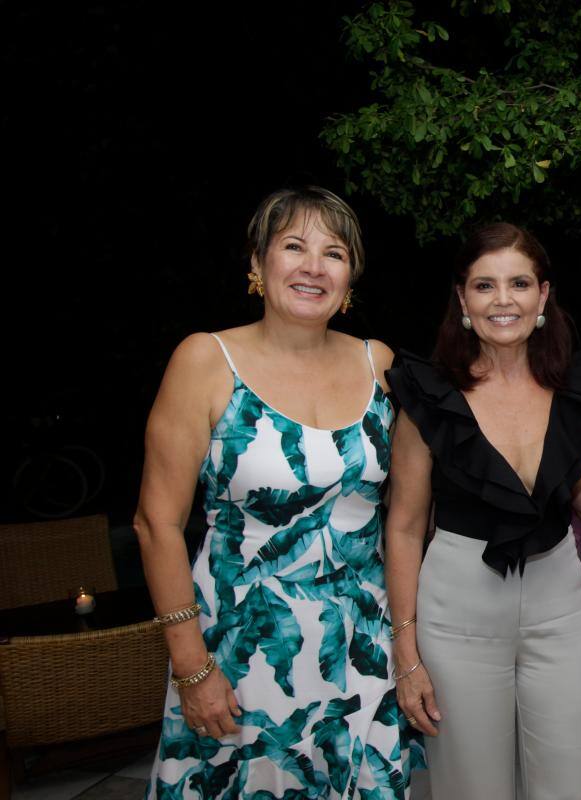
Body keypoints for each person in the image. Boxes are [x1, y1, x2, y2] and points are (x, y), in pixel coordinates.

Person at [136, 186, 421, 798]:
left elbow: (403, 518)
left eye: (334, 253)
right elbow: (155, 524)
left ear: (351, 279)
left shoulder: (380, 363)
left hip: (359, 646)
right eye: (294, 246)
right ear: (257, 265)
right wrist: (191, 666)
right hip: (241, 649)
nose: (313, 266)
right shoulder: (205, 361)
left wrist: (406, 646)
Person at [384, 222, 581, 800]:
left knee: (569, 784)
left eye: (518, 283)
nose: (503, 300)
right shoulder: (430, 396)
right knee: (472, 789)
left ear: (543, 295)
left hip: (561, 609)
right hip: (455, 611)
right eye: (484, 286)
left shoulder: (573, 390)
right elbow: (406, 527)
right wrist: (407, 652)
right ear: (463, 299)